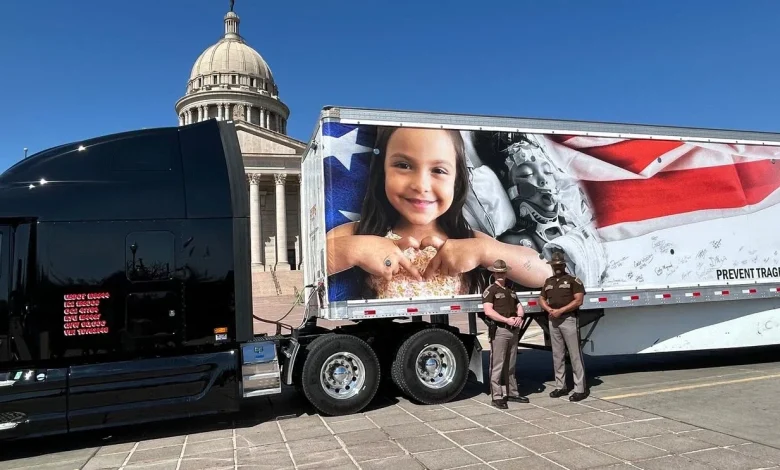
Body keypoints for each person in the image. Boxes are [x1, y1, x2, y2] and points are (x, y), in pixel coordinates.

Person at [325, 126, 553, 299]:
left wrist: (484, 251)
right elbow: (313, 267)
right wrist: (353, 250)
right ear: (382, 172)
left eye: (439, 170)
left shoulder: (466, 239)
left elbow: (546, 272)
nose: (421, 185)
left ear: (457, 182)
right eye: (403, 165)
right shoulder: (361, 231)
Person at [539, 251, 589, 401]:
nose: (557, 267)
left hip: (568, 319)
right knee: (557, 355)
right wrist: (549, 310)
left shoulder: (573, 280)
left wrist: (561, 311)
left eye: (559, 265)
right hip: (553, 320)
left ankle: (580, 389)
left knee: (574, 354)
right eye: (555, 265)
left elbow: (578, 300)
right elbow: (541, 298)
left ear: (564, 265)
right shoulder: (548, 281)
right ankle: (560, 387)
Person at [482, 259, 528, 409]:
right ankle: (497, 396)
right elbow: (488, 311)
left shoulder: (511, 291)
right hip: (500, 330)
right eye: (498, 273)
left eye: (503, 272)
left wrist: (519, 317)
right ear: (494, 274)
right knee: (497, 365)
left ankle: (512, 393)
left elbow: (519, 306)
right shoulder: (490, 290)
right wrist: (506, 320)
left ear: (506, 273)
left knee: (511, 365)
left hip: (513, 331)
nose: (500, 275)